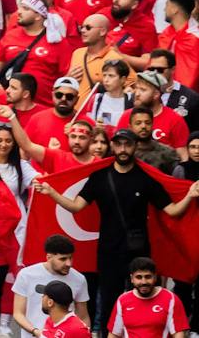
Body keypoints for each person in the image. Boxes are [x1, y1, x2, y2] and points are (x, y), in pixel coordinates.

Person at [34, 130, 199, 330]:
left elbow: (172, 211)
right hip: (108, 251)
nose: (122, 149)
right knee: (109, 305)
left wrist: (190, 195)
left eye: (127, 144)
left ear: (135, 146)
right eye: (118, 144)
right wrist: (52, 192)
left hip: (138, 253)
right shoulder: (99, 177)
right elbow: (76, 206)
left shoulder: (145, 179)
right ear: (112, 146)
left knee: (141, 302)